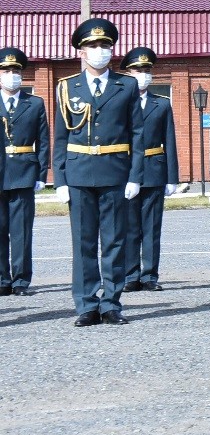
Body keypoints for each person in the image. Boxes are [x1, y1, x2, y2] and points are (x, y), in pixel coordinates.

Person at [53, 18, 144, 326]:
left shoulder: (127, 85)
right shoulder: (66, 87)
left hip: (115, 171)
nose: (100, 51)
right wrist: (60, 178)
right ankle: (86, 304)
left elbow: (138, 134)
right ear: (81, 50)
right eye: (93, 46)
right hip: (79, 173)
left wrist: (135, 175)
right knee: (84, 242)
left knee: (116, 240)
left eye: (105, 45)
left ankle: (111, 303)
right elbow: (61, 137)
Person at [120, 47, 178, 293]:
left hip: (154, 169)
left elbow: (170, 141)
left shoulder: (161, 104)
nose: (143, 74)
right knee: (129, 226)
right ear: (127, 73)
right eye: (137, 70)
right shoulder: (119, 103)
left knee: (151, 227)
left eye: (146, 70)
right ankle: (130, 274)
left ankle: (150, 275)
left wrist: (172, 177)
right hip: (126, 171)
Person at [0, 48, 48, 297]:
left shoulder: (35, 103)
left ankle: (20, 280)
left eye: (15, 71)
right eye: (6, 71)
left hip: (23, 172)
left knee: (21, 231)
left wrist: (41, 174)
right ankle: (1, 279)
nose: (11, 75)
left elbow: (43, 140)